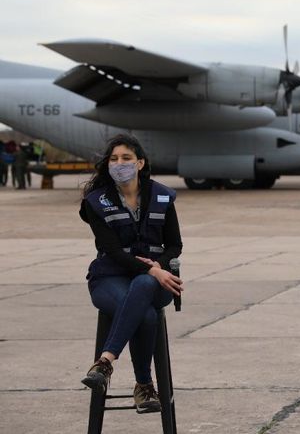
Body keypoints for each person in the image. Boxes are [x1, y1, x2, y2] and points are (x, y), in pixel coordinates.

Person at [79, 134, 183, 414]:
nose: (119, 163)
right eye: (113, 159)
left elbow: (175, 244)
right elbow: (112, 251)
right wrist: (152, 270)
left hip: (156, 280)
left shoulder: (162, 195)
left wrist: (158, 266)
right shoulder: (96, 201)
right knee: (146, 314)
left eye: (126, 158)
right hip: (109, 278)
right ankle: (144, 386)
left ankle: (105, 362)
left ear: (140, 163)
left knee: (145, 283)